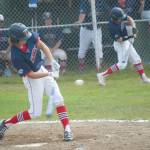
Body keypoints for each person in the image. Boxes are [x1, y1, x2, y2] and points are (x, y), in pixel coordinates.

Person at [0, 23, 73, 141]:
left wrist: (52, 61)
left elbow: (42, 46)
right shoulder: (16, 56)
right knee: (34, 113)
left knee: (58, 99)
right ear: (16, 40)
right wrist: (48, 74)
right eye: (23, 38)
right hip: (31, 79)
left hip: (41, 69)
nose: (26, 38)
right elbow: (31, 75)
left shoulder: (30, 37)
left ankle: (67, 129)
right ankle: (5, 123)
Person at [97, 7, 150, 86]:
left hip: (126, 42)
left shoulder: (120, 16)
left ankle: (143, 78)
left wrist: (134, 27)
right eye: (119, 19)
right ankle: (102, 75)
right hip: (120, 44)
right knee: (122, 65)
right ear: (114, 18)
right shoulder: (112, 26)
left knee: (137, 60)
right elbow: (119, 39)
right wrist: (130, 36)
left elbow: (130, 19)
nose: (121, 19)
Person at [75, 0, 110, 72]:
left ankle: (98, 67)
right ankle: (81, 67)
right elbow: (82, 16)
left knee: (99, 48)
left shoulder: (101, 2)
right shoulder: (84, 3)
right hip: (85, 30)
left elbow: (110, 12)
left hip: (97, 30)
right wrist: (79, 22)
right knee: (82, 51)